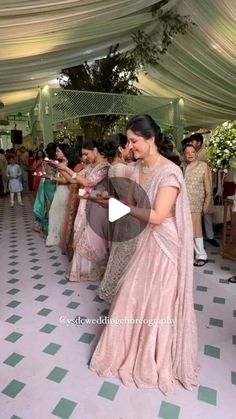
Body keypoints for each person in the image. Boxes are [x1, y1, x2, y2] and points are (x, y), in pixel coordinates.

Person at [90, 114, 198, 395]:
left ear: (151, 139)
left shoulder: (170, 172)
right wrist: (105, 202)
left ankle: (153, 356)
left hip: (165, 245)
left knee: (159, 300)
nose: (130, 146)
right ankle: (126, 350)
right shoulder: (136, 169)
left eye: (135, 140)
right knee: (131, 293)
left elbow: (159, 216)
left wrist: (122, 207)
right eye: (128, 140)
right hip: (145, 242)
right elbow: (128, 204)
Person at [56, 139, 110, 282]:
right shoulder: (91, 166)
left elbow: (88, 183)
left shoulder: (104, 167)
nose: (85, 158)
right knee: (82, 237)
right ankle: (82, 271)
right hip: (87, 202)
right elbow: (74, 181)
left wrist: (67, 170)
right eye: (83, 155)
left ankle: (96, 271)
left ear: (95, 151)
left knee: (95, 240)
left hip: (99, 206)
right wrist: (61, 169)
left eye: (86, 154)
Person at [98, 133, 137, 303]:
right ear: (120, 149)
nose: (131, 148)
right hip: (133, 214)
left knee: (120, 252)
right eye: (129, 144)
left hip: (124, 213)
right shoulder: (126, 168)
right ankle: (124, 293)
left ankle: (111, 287)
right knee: (130, 254)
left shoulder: (113, 168)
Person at [183, 144, 213, 266]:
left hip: (196, 204)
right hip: (184, 204)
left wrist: (206, 205)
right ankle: (189, 255)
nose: (190, 154)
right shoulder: (184, 167)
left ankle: (202, 255)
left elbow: (209, 189)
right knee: (187, 231)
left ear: (196, 153)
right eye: (187, 152)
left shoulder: (203, 166)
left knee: (196, 230)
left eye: (192, 152)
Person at [189, 133, 219, 247]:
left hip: (205, 187)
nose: (191, 144)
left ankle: (210, 237)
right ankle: (196, 239)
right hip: (194, 189)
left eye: (193, 142)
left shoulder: (205, 154)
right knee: (196, 217)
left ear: (199, 143)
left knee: (207, 214)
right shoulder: (193, 153)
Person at [45, 144, 71, 247]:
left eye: (58, 151)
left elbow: (65, 180)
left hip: (64, 190)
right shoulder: (63, 163)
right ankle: (58, 237)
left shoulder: (67, 164)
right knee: (58, 213)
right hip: (59, 190)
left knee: (58, 213)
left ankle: (59, 238)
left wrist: (50, 177)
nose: (56, 153)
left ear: (64, 152)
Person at [33, 142, 57, 235]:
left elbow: (43, 174)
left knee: (48, 204)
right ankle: (54, 226)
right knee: (55, 204)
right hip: (56, 183)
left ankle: (49, 226)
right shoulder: (58, 161)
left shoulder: (45, 162)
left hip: (47, 183)